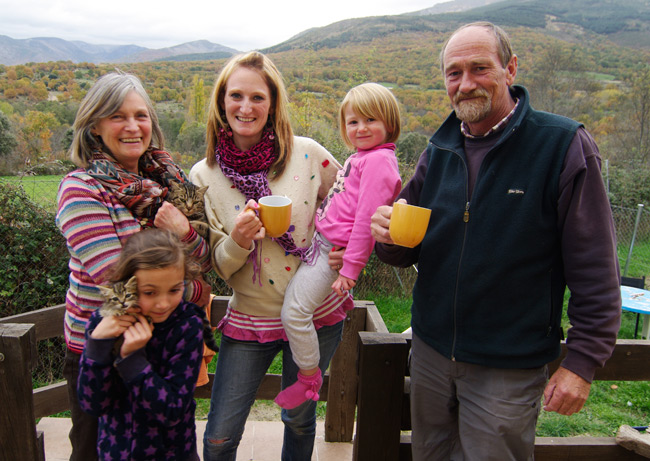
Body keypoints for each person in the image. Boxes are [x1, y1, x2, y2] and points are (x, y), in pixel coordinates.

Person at [370, 22, 621, 460]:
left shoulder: (561, 145)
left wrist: (582, 362)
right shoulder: (440, 147)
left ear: (510, 69)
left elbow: (595, 266)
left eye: (479, 68)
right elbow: (405, 247)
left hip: (508, 364)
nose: (465, 84)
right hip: (431, 352)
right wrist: (387, 235)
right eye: (453, 73)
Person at [190, 51, 351, 460]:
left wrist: (347, 250)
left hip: (316, 312)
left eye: (258, 97)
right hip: (251, 317)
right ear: (222, 102)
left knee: (298, 419)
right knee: (219, 436)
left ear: (273, 103)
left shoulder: (310, 154)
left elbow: (352, 202)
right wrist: (239, 240)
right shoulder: (202, 176)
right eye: (236, 96)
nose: (246, 107)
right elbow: (215, 266)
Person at [56, 71, 211, 461]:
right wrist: (195, 291)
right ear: (94, 125)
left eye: (140, 116)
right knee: (95, 448)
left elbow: (205, 258)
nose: (132, 126)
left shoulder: (168, 183)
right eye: (117, 116)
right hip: (103, 344)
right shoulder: (81, 189)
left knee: (164, 441)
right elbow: (117, 282)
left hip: (164, 346)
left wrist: (184, 233)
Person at [274, 83, 402, 409]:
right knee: (294, 305)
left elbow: (366, 222)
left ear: (389, 123)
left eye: (370, 120)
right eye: (353, 121)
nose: (360, 128)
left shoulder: (378, 164)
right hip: (320, 245)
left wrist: (350, 270)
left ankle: (308, 379)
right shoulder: (364, 157)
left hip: (331, 255)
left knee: (295, 311)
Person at [77, 228, 205, 460]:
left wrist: (132, 360)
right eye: (149, 292)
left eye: (175, 289)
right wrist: (98, 344)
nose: (163, 303)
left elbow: (173, 410)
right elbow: (92, 404)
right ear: (127, 285)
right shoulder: (102, 324)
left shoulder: (186, 326)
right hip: (115, 453)